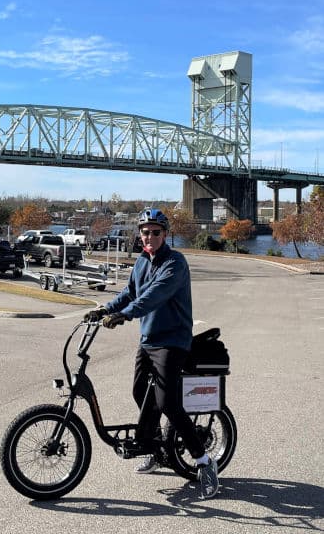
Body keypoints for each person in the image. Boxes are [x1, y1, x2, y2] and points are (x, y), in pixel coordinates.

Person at [84, 208, 219, 500]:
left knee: (167, 402)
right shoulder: (142, 261)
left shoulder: (175, 263)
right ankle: (157, 449)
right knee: (138, 392)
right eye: (145, 231)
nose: (149, 236)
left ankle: (204, 462)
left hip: (172, 341)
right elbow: (130, 292)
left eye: (155, 232)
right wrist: (106, 308)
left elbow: (152, 296)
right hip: (148, 340)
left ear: (165, 234)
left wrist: (125, 316)